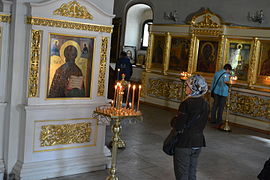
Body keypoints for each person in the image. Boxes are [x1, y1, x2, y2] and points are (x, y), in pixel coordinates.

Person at [171, 75, 209, 180]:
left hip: (184, 143)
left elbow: (179, 125)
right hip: (198, 142)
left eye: (187, 85)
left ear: (194, 87)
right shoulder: (205, 103)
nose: (186, 88)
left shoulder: (186, 103)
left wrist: (173, 120)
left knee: (182, 174)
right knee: (192, 173)